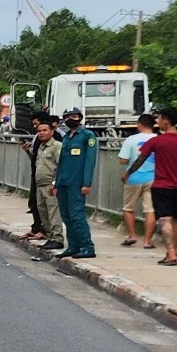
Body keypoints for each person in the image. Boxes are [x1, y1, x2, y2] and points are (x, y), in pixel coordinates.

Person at [135, 107, 177, 266]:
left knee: (164, 219)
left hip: (161, 186)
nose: (157, 122)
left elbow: (140, 159)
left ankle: (170, 253)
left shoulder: (156, 141)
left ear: (166, 121)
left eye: (159, 119)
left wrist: (128, 173)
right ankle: (173, 251)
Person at [56, 108, 99, 257]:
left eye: (73, 116)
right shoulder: (67, 137)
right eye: (67, 116)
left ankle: (87, 246)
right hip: (63, 182)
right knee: (66, 215)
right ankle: (73, 246)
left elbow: (90, 161)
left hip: (77, 183)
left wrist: (87, 183)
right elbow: (61, 161)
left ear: (79, 118)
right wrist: (57, 183)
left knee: (77, 215)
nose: (70, 119)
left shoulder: (88, 136)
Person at [118, 116, 157, 247]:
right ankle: (147, 241)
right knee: (150, 210)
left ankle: (132, 236)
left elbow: (123, 160)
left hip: (133, 178)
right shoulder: (158, 139)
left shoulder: (131, 139)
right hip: (153, 178)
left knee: (128, 207)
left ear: (139, 124)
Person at [29, 117, 64, 250]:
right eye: (39, 131)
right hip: (40, 185)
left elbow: (61, 165)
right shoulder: (41, 147)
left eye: (45, 130)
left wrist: (56, 183)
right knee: (43, 212)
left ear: (51, 131)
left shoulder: (56, 146)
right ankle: (50, 237)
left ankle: (57, 238)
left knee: (53, 212)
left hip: (50, 184)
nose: (42, 133)